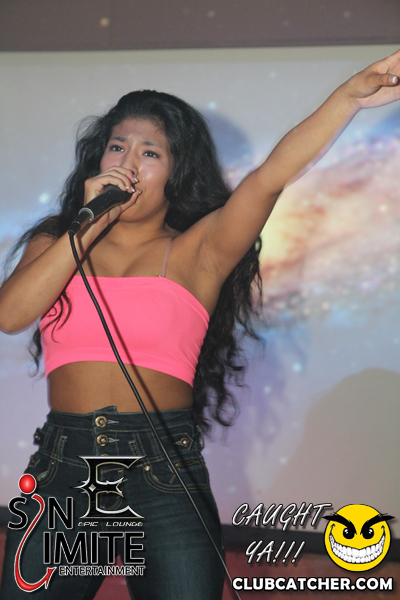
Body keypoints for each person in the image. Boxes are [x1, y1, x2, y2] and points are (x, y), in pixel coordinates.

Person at [0, 50, 399, 600]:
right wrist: (87, 226)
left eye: (150, 152)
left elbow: (269, 178)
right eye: (118, 146)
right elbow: (10, 314)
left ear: (176, 171)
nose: (128, 162)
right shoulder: (58, 242)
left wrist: (348, 96)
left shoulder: (199, 251)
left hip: (164, 468)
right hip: (66, 467)